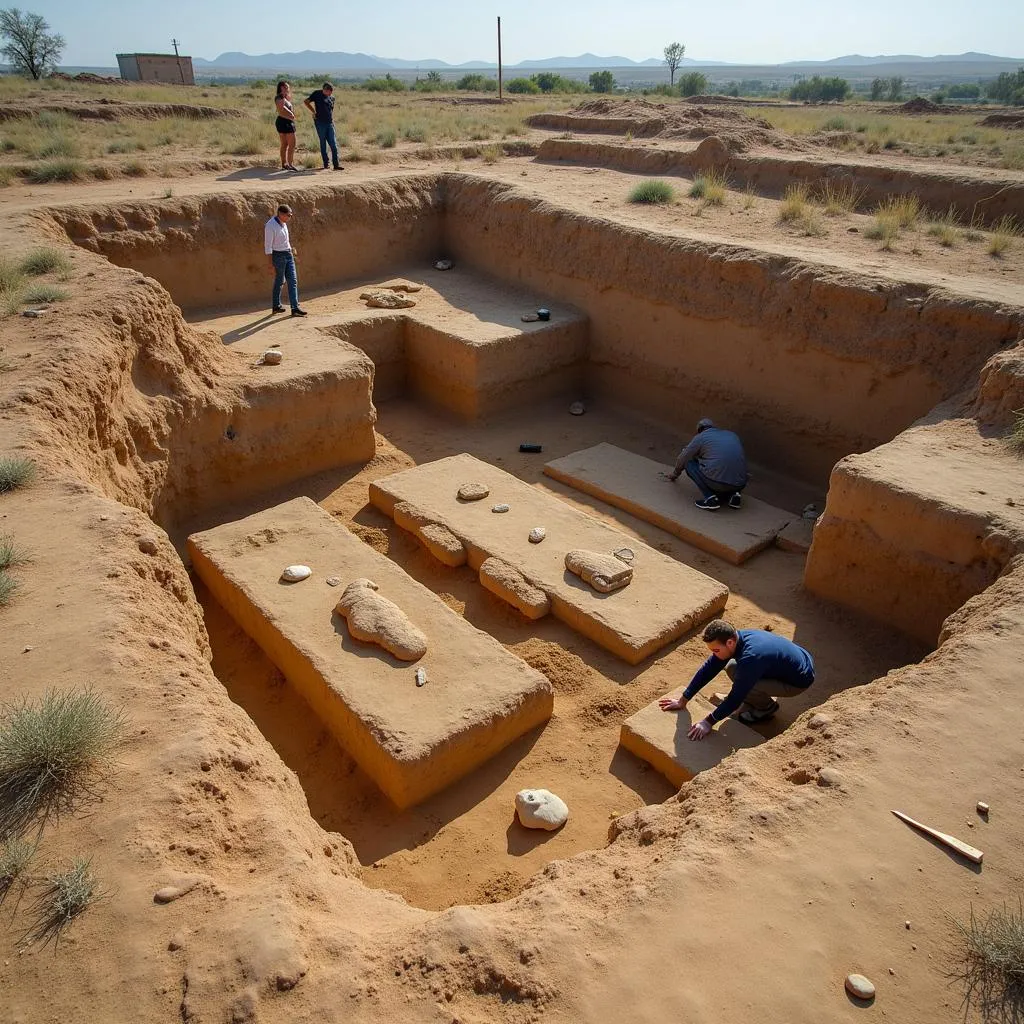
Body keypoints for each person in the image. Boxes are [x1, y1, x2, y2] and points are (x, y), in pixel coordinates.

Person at [659, 619, 815, 737]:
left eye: (716, 650)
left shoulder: (751, 658)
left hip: (798, 681)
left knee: (744, 682)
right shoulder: (737, 637)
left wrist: (708, 722)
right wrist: (684, 699)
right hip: (795, 659)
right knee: (733, 667)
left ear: (729, 642)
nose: (714, 654)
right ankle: (754, 697)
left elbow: (735, 698)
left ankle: (766, 708)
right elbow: (709, 668)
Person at [659, 417, 748, 511]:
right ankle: (735, 495)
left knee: (689, 463)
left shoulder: (701, 437)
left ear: (699, 430)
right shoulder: (731, 435)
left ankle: (710, 499)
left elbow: (683, 457)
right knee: (733, 466)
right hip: (740, 483)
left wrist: (675, 474)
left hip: (718, 483)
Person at [264, 204, 307, 317]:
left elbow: (285, 240)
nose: (290, 217)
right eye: (288, 215)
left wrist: (292, 252)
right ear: (281, 214)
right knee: (279, 281)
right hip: (278, 256)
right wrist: (270, 264)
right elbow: (268, 246)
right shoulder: (270, 226)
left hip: (288, 254)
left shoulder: (284, 223)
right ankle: (276, 305)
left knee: (293, 281)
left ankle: (295, 308)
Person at [303, 82, 342, 171]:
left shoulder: (332, 98)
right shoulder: (317, 94)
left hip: (330, 123)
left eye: (331, 91)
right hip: (320, 122)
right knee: (323, 142)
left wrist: (332, 120)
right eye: (328, 91)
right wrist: (313, 111)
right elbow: (306, 101)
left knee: (333, 144)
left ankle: (336, 165)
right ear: (324, 90)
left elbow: (330, 110)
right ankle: (326, 164)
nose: (330, 93)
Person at [275, 81, 298, 171]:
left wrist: (291, 115)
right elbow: (281, 110)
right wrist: (291, 114)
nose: (288, 89)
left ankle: (285, 164)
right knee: (291, 145)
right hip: (285, 122)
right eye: (286, 87)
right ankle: (289, 164)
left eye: (288, 87)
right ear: (281, 87)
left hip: (285, 121)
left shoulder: (285, 97)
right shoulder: (279, 98)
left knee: (284, 144)